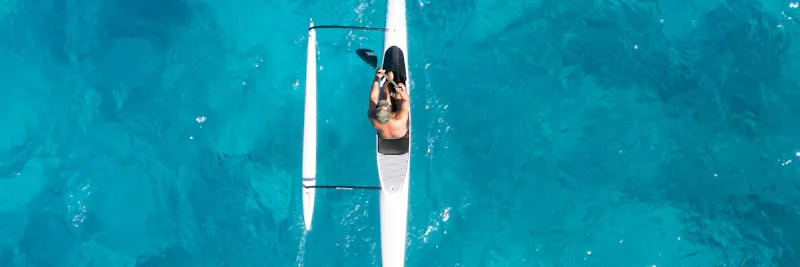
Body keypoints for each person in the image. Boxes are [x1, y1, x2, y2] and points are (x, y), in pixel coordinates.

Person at [368, 69, 409, 139]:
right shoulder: (400, 118)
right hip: (401, 133)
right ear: (390, 113)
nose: (382, 105)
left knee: (383, 95)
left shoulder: (372, 117)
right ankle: (389, 82)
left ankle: (387, 82)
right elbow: (406, 100)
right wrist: (402, 91)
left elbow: (373, 97)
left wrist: (377, 77)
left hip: (385, 136)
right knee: (398, 95)